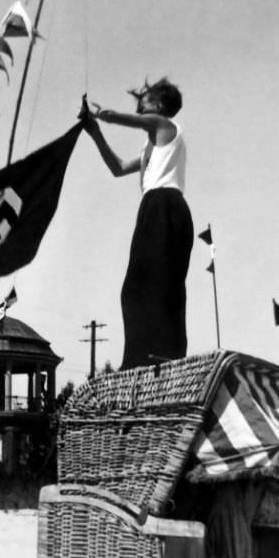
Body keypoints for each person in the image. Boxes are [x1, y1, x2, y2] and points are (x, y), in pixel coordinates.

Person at [79, 78, 194, 369]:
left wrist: (103, 116)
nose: (141, 105)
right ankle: (142, 359)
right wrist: (94, 133)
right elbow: (117, 168)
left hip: (165, 205)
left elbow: (132, 120)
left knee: (159, 287)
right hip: (152, 209)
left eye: (147, 101)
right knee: (137, 289)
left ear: (160, 105)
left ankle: (163, 358)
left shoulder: (167, 127)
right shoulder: (150, 147)